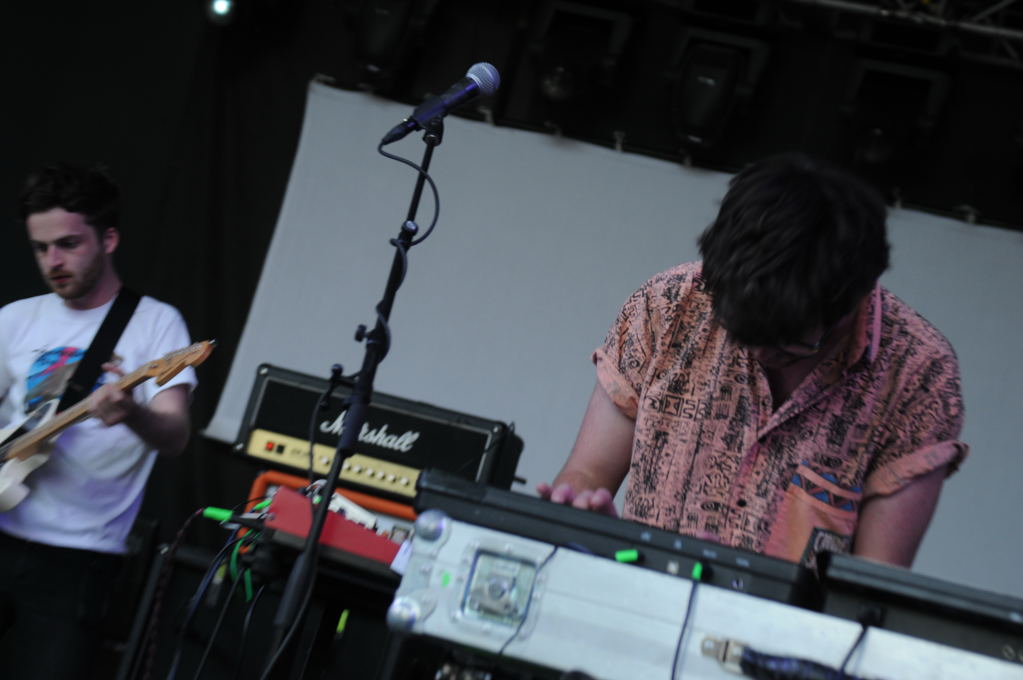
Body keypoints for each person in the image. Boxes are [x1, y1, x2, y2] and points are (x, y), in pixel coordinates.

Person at [538, 152, 966, 570]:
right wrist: (581, 512)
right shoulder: (666, 305)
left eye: (786, 347)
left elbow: (874, 582)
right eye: (740, 334)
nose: (760, 355)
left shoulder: (918, 373)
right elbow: (588, 471)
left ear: (852, 302)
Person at [0, 162, 197, 679]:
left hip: (78, 560)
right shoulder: (16, 319)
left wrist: (132, 413)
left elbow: (175, 434)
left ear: (108, 239)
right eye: (41, 248)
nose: (53, 262)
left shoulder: (157, 324)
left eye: (68, 244)